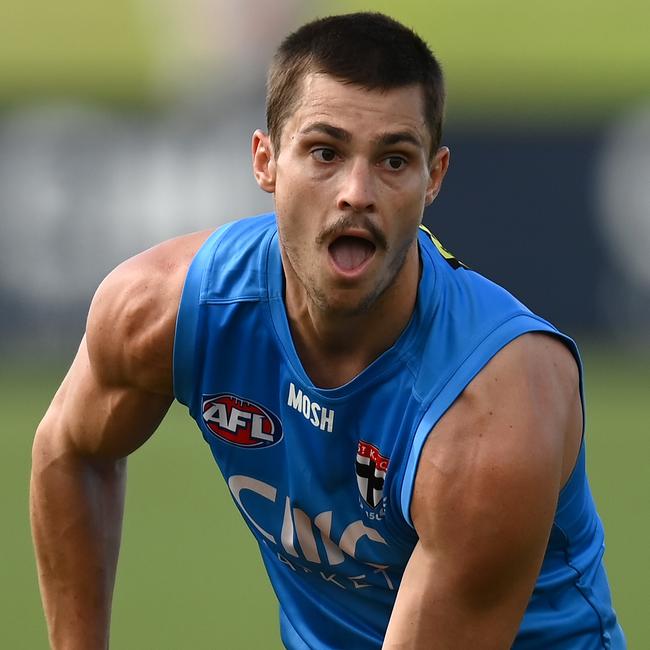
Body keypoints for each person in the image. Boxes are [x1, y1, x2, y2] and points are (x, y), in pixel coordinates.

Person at [30, 12, 625, 649]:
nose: (356, 192)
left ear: (435, 179)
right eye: (325, 152)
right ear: (265, 161)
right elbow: (70, 453)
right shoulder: (165, 309)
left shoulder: (490, 411)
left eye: (394, 160)